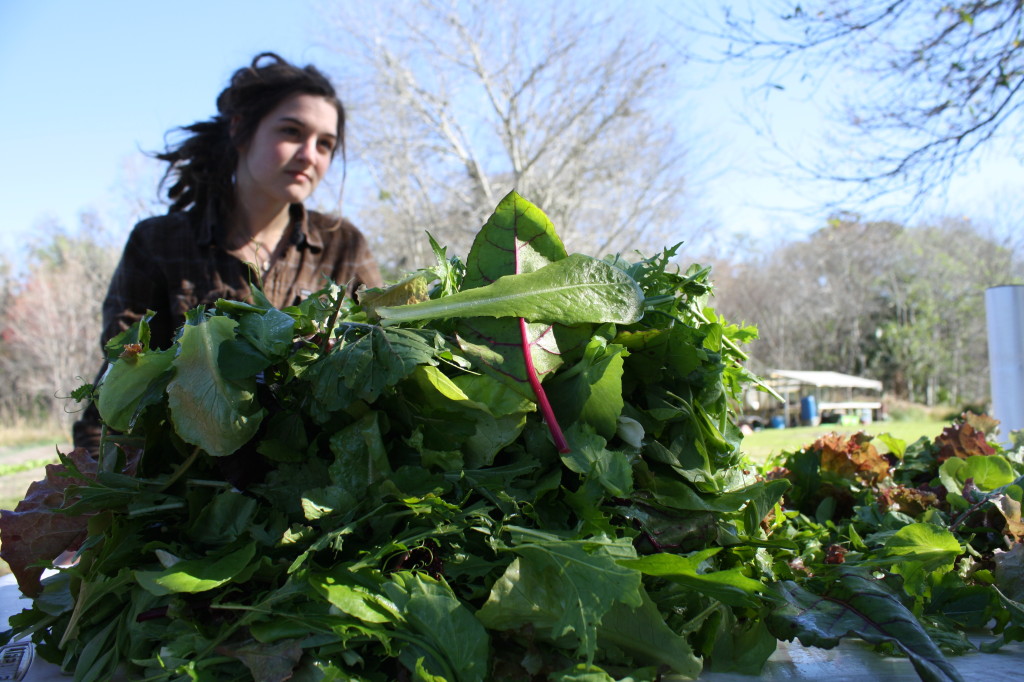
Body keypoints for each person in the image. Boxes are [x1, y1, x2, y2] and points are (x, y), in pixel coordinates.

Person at [72, 52, 384, 449]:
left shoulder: (343, 244)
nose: (310, 155)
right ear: (240, 129)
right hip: (186, 476)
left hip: (310, 471)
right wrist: (95, 474)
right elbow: (122, 375)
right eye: (291, 131)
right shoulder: (158, 243)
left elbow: (381, 349)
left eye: (325, 144)